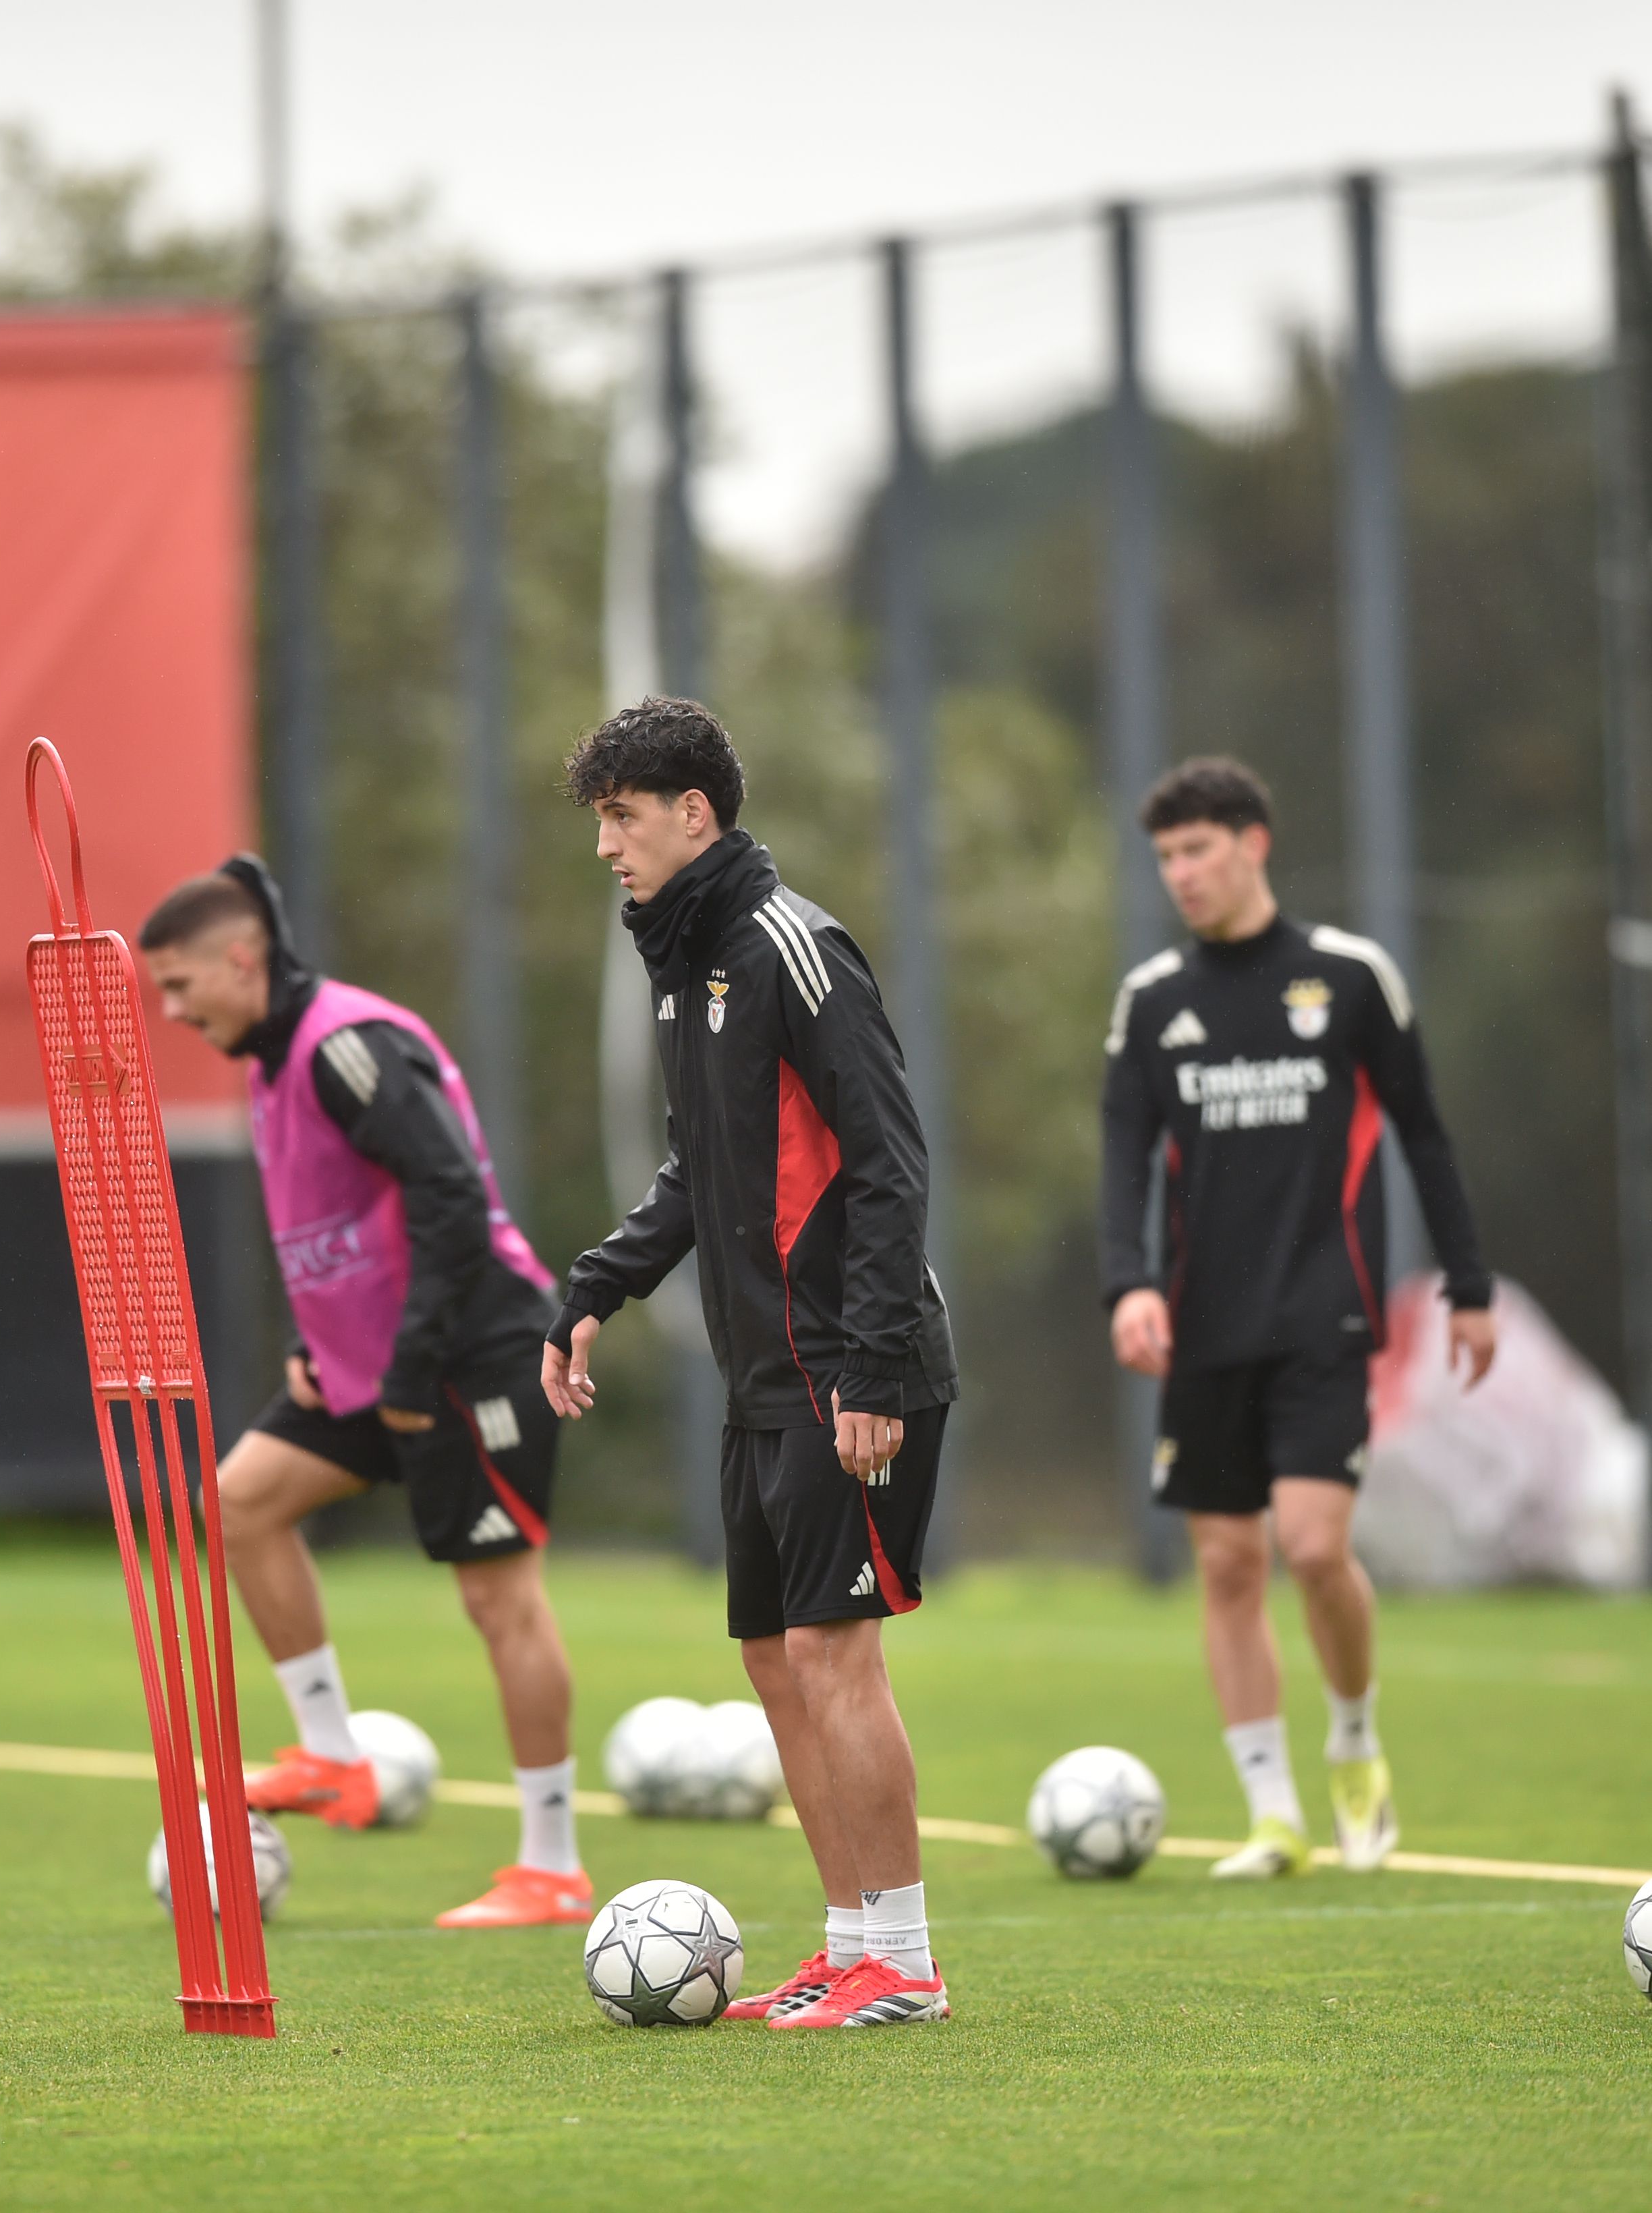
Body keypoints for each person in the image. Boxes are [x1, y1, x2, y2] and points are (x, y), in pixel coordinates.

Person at [542, 697, 961, 2030]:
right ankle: (845, 1942)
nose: (605, 845)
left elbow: (888, 1165)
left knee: (838, 1659)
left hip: (848, 1373)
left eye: (620, 817)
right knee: (778, 1664)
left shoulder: (793, 945)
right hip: (762, 1376)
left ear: (693, 814)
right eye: (598, 819)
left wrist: (874, 1372)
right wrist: (596, 1284)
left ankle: (905, 1960)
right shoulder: (683, 961)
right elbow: (699, 1169)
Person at [139, 856, 591, 1930]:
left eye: (180, 984)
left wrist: (402, 1364)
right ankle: (334, 1756)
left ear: (241, 962)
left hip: (474, 1356)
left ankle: (554, 1865)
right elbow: (339, 1221)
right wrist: (319, 1340)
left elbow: (447, 1196)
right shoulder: (267, 1057)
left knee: (499, 1601)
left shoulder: (349, 1047)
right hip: (377, 1367)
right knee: (235, 1505)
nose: (171, 1009)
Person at [1097, 760, 1494, 1880]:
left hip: (1325, 1311)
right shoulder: (1153, 1001)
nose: (1181, 874)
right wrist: (1126, 1281)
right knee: (1227, 1563)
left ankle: (1354, 1743)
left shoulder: (1348, 978)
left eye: (1198, 850)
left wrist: (1468, 1286)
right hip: (1200, 1322)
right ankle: (1270, 1814)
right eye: (1165, 857)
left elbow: (1423, 1134)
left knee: (1315, 1548)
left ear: (1253, 844)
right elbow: (1122, 1154)